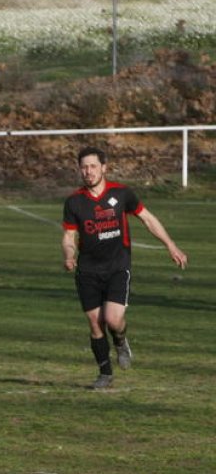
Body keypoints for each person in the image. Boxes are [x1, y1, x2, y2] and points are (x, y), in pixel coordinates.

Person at [61, 146, 188, 389]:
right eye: (84, 167)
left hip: (118, 266)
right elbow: (68, 237)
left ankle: (120, 340)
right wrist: (69, 255)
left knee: (113, 319)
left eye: (93, 166)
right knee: (96, 322)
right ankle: (105, 373)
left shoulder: (121, 193)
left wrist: (171, 245)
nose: (88, 172)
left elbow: (148, 219)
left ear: (104, 168)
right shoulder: (74, 202)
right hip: (87, 270)